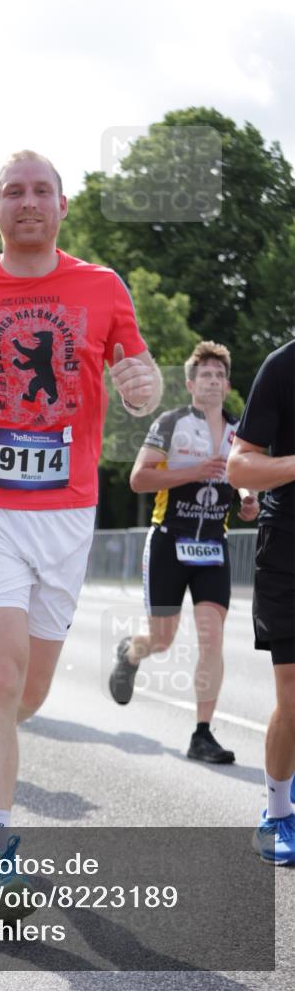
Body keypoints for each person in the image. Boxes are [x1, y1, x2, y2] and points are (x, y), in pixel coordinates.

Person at [0, 150, 162, 918]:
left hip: (66, 511)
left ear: (62, 205)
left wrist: (143, 382)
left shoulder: (101, 286)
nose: (27, 202)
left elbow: (136, 370)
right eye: (12, 192)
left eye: (40, 190)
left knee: (30, 691)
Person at [108, 341, 259, 762]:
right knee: (162, 638)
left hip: (213, 546)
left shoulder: (238, 431)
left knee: (212, 638)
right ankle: (131, 651)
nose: (212, 381)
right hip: (169, 543)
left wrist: (247, 499)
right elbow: (139, 479)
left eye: (219, 375)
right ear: (191, 384)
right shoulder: (170, 423)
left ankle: (202, 734)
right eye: (204, 375)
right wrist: (195, 471)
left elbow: (245, 477)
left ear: (227, 384)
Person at [227, 340, 295, 865]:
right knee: (293, 698)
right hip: (289, 548)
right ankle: (276, 813)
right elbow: (240, 467)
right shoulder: (283, 365)